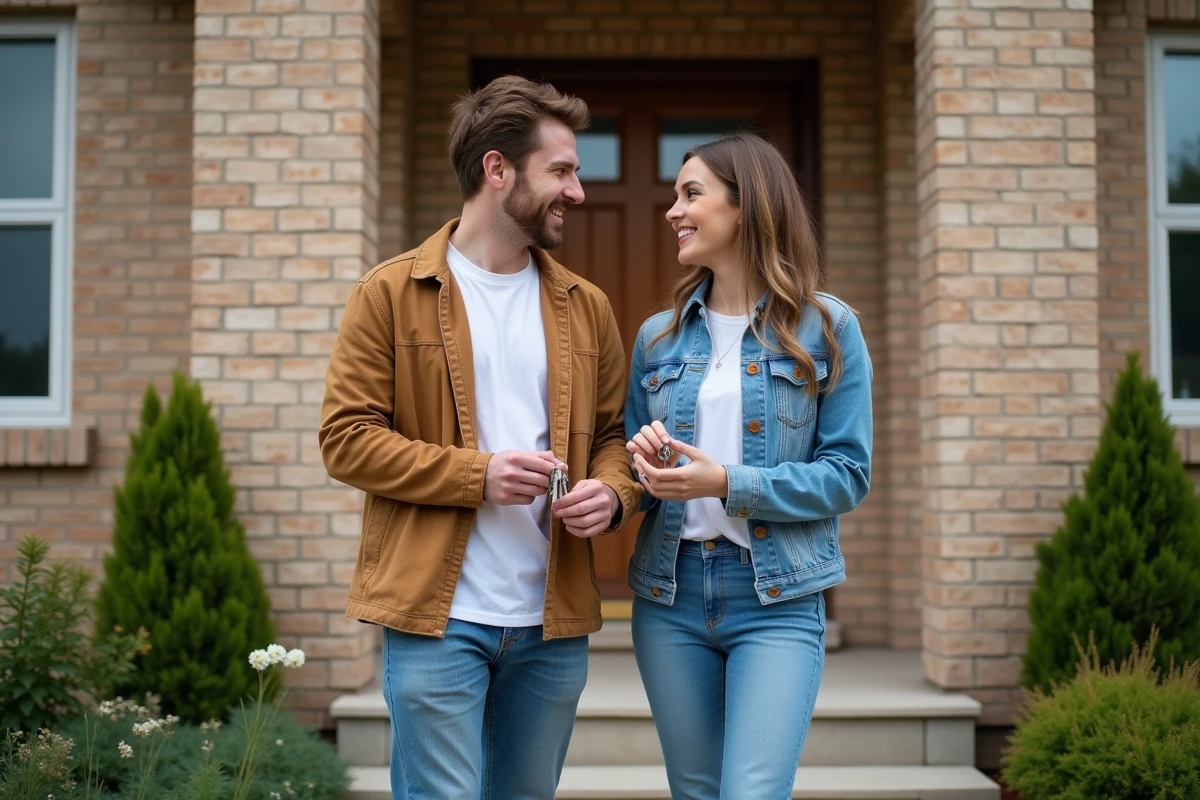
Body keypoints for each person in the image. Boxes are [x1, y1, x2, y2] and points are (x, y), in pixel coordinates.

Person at [319, 75, 642, 800]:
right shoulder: (389, 293)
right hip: (436, 618)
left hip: (550, 624)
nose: (577, 191)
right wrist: (479, 475)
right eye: (561, 170)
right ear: (498, 169)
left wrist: (612, 493)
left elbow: (612, 435)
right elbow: (346, 438)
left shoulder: (587, 307)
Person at [623, 132, 874, 799]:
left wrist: (728, 484)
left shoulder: (827, 328)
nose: (673, 211)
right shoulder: (657, 338)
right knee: (696, 791)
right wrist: (636, 470)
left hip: (777, 599)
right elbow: (633, 468)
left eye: (691, 194)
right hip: (670, 596)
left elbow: (847, 474)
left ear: (746, 206)